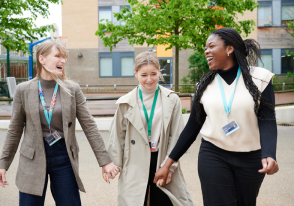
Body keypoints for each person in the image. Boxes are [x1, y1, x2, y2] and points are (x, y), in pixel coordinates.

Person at [154, 28, 279, 206]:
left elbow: (267, 119)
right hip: (214, 154)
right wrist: (168, 163)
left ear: (229, 49)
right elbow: (192, 127)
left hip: (251, 157)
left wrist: (269, 153)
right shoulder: (204, 85)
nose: (206, 51)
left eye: (211, 46)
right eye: (205, 47)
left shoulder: (260, 78)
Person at [0, 40, 118, 206]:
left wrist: (105, 161)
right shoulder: (23, 90)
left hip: (64, 156)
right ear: (42, 59)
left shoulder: (72, 88)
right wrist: (3, 163)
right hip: (32, 157)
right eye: (58, 56)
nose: (63, 61)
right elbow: (14, 130)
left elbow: (89, 126)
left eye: (64, 57)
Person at [108, 51, 194, 206]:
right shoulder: (125, 102)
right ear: (135, 73)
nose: (149, 79)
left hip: (162, 159)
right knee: (134, 201)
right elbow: (117, 136)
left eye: (153, 74)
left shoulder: (172, 99)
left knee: (163, 201)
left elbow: (176, 135)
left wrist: (170, 166)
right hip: (134, 160)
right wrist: (115, 164)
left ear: (159, 72)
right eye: (143, 75)